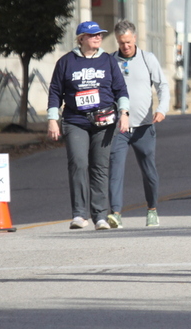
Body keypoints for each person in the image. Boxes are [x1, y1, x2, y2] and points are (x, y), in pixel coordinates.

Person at [46, 21, 130, 230]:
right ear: (81, 38)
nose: (98, 38)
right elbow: (55, 91)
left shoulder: (108, 61)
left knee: (100, 167)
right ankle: (79, 215)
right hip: (76, 121)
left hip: (104, 121)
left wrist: (124, 113)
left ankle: (100, 216)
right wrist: (52, 119)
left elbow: (120, 89)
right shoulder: (66, 62)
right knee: (78, 163)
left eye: (100, 35)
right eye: (93, 35)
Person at [107, 20, 169, 229]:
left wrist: (162, 109)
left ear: (134, 38)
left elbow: (163, 85)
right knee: (115, 170)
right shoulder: (110, 61)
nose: (125, 46)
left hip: (144, 126)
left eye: (128, 42)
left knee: (148, 170)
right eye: (121, 43)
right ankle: (115, 213)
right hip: (119, 128)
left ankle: (152, 209)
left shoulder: (147, 58)